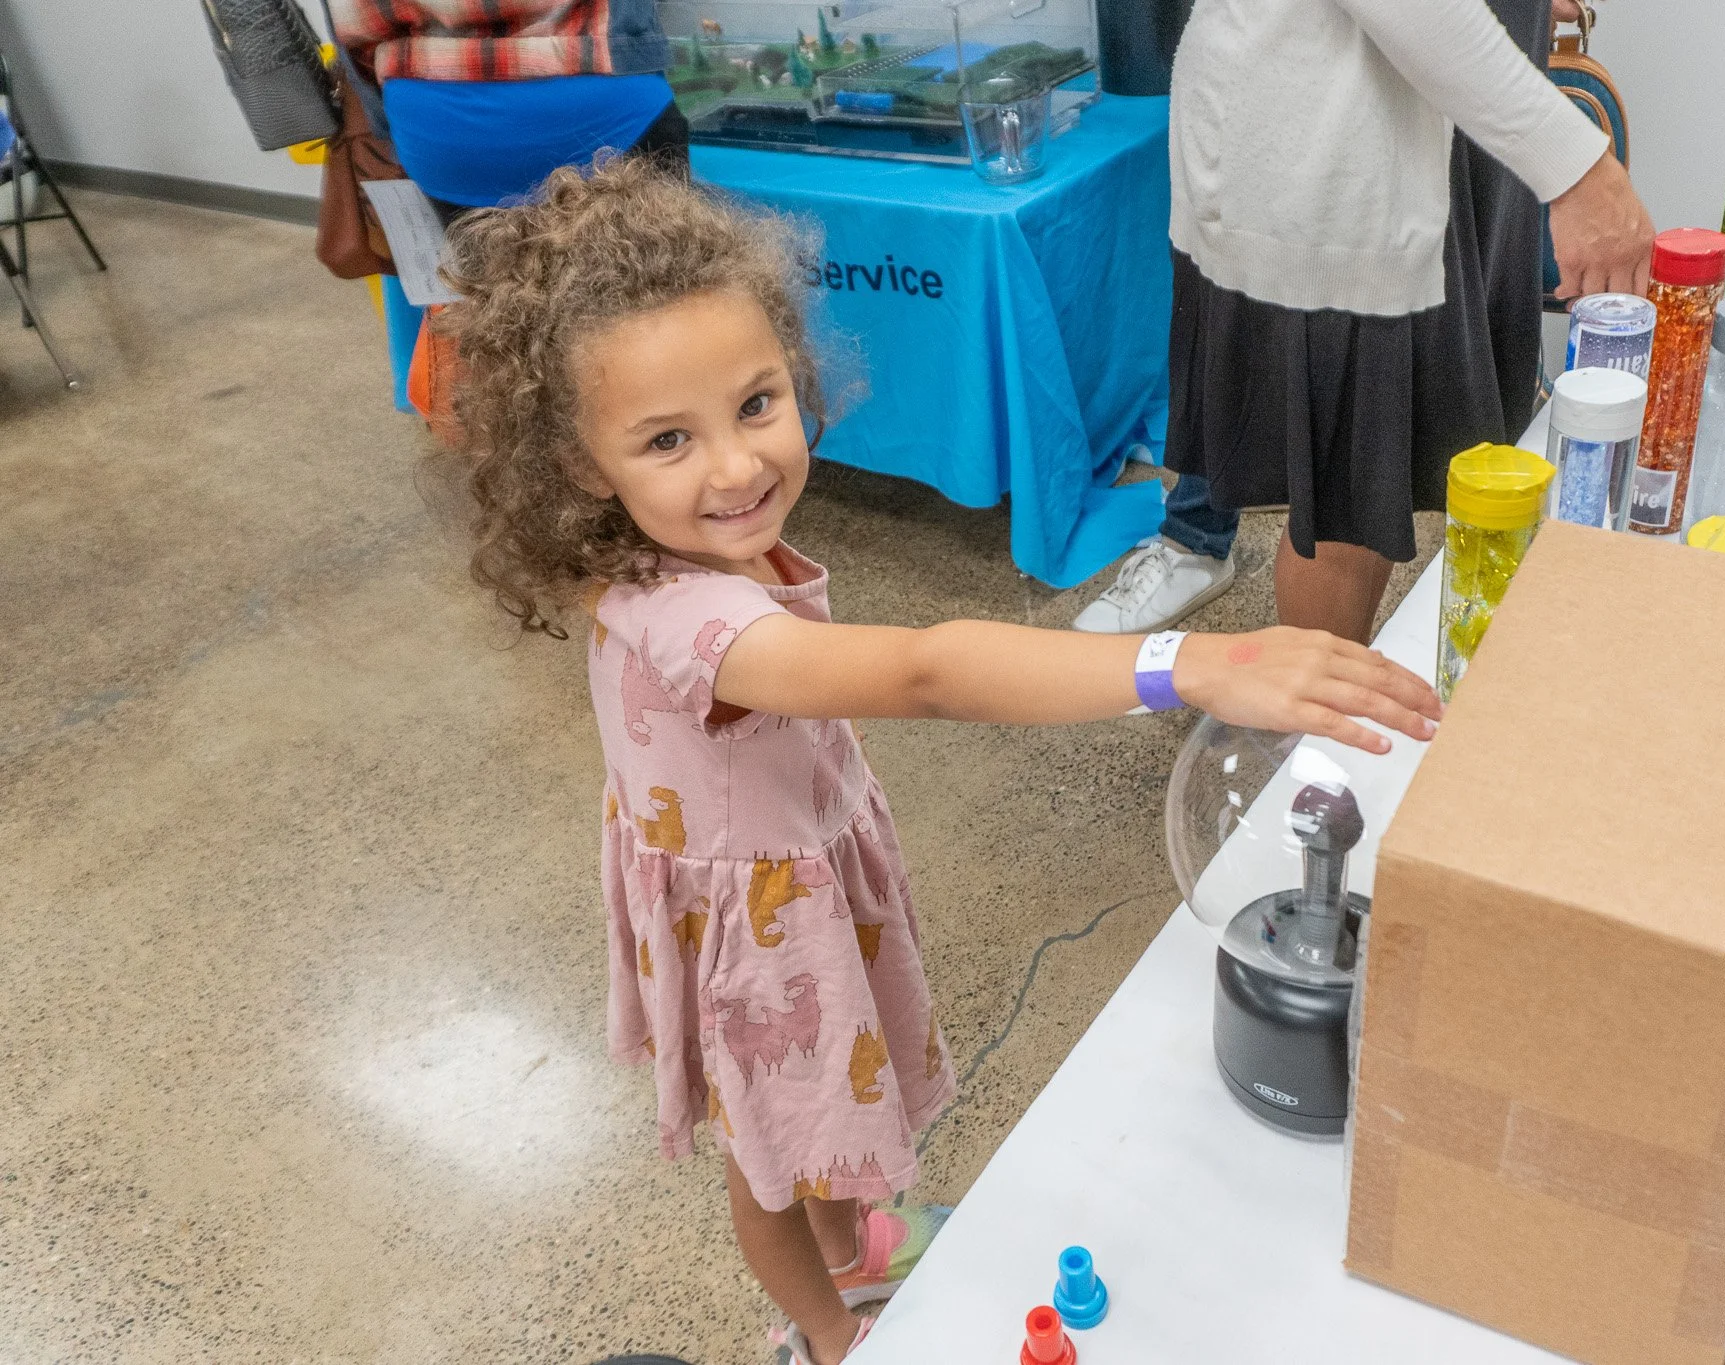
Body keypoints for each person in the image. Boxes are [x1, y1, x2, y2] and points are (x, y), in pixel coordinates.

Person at [438, 159, 1444, 1365]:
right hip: (753, 939)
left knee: (820, 1125)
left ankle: (859, 1242)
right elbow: (924, 668)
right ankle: (820, 1333)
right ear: (581, 466)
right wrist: (1188, 664)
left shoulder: (707, 542)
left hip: (795, 858)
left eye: (757, 404)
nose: (737, 468)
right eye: (668, 439)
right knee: (766, 1168)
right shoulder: (685, 622)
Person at [1073, 0, 1653, 638]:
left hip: (1447, 121)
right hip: (1342, 140)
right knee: (1348, 498)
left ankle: (1321, 708)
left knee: (1383, 477)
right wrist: (1577, 167)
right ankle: (1310, 724)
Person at [327, 0, 689, 224]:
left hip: (441, 127)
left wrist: (385, 123)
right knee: (645, 309)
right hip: (604, 106)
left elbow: (356, 25)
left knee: (502, 321)